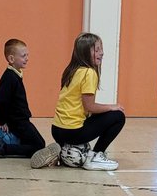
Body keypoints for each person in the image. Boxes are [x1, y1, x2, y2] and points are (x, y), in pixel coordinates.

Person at [52, 33, 125, 171]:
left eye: (101, 49)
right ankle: (95, 156)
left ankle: (65, 153)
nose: (101, 53)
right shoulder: (89, 73)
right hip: (72, 132)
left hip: (56, 130)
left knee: (99, 116)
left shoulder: (72, 70)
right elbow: (90, 107)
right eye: (96, 50)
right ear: (85, 52)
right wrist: (112, 107)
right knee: (118, 116)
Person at [0, 38, 60, 168]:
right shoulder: (9, 77)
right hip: (18, 121)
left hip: (19, 119)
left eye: (27, 55)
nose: (27, 58)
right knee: (38, 145)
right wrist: (2, 121)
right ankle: (3, 148)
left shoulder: (15, 73)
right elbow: (0, 101)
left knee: (29, 140)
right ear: (11, 59)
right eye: (23, 56)